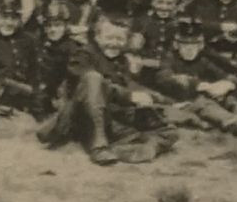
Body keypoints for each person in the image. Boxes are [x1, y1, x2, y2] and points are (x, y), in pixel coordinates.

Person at [35, 13, 174, 166]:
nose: (114, 43)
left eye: (120, 39)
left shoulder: (122, 61)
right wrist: (130, 96)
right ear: (97, 37)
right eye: (109, 38)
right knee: (93, 78)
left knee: (169, 132)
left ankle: (131, 150)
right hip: (82, 117)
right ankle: (98, 147)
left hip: (110, 117)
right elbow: (96, 85)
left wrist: (161, 100)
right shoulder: (83, 55)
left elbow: (131, 86)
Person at [147, 16, 237, 137]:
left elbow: (224, 75)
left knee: (230, 99)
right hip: (180, 103)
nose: (189, 50)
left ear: (200, 46)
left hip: (202, 101)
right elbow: (165, 78)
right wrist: (201, 85)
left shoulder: (203, 61)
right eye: (184, 45)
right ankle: (231, 121)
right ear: (176, 45)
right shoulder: (168, 59)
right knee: (203, 102)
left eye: (194, 45)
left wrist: (226, 85)